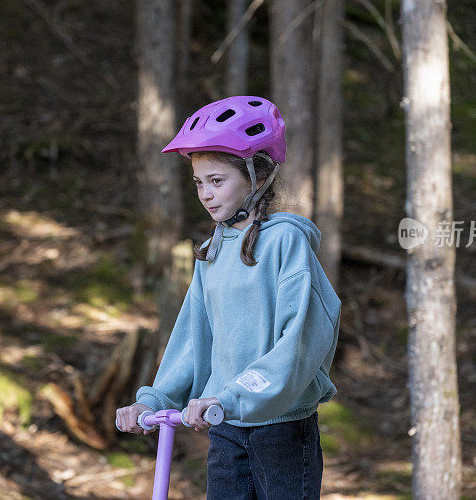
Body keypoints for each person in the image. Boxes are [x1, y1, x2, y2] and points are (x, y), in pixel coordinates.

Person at [115, 95, 341, 499]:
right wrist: (155, 399)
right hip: (224, 430)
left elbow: (301, 340)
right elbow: (191, 340)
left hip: (283, 431)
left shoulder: (285, 243)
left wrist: (234, 396)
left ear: (257, 176)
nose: (205, 194)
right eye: (199, 182)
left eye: (217, 181)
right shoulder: (212, 251)